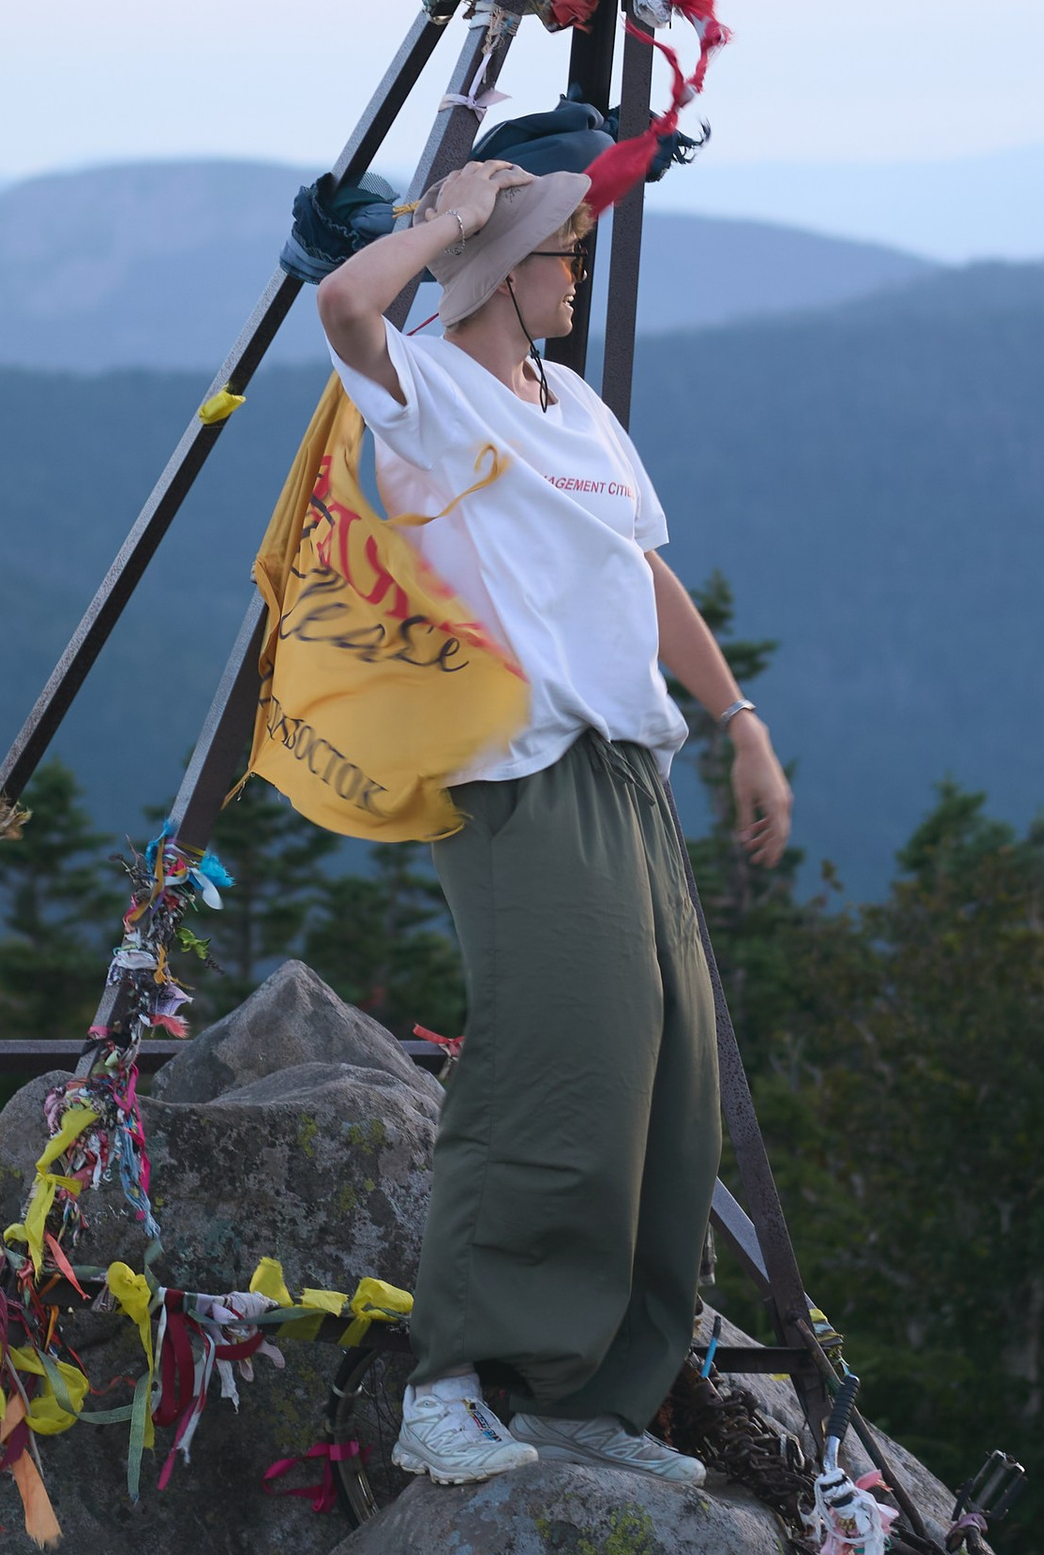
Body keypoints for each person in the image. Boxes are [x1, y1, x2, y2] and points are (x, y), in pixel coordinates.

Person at [315, 151, 794, 1488]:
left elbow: (634, 570)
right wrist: (461, 219)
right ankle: (453, 1384)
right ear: (501, 275)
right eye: (558, 253)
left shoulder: (568, 404)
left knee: (665, 1087)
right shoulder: (433, 391)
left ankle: (590, 1398)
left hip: (627, 767)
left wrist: (737, 722)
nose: (575, 273)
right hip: (519, 771)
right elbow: (343, 309)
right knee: (552, 1061)